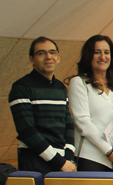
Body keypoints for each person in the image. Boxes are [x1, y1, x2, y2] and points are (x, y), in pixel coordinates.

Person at [67, 35, 113, 172]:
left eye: (106, 52)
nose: (102, 57)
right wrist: (108, 151)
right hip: (91, 157)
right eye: (97, 52)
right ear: (88, 55)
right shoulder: (79, 83)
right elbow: (83, 123)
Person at [10, 37, 76, 174]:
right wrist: (59, 162)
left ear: (58, 57)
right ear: (31, 59)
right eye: (41, 53)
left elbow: (68, 124)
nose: (48, 56)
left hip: (63, 161)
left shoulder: (60, 87)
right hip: (34, 160)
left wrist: (69, 156)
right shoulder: (21, 87)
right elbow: (27, 131)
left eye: (52, 52)